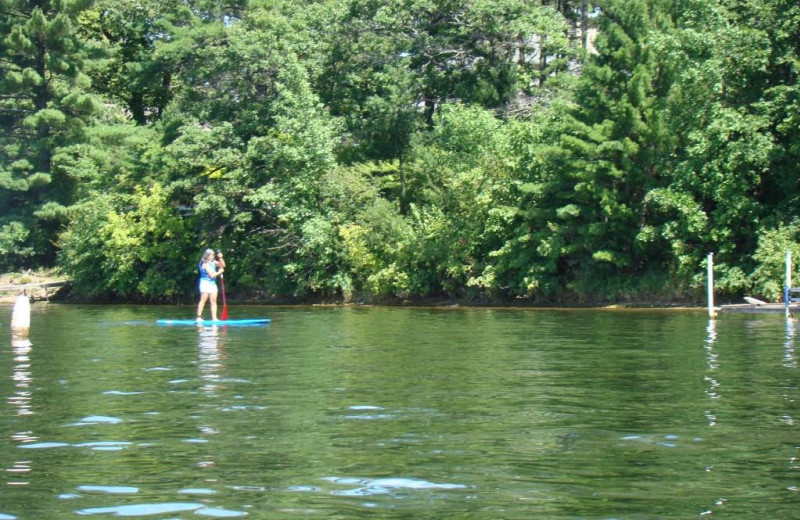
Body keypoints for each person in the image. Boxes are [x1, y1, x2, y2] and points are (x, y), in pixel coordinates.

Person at [196, 248, 224, 321]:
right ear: (207, 256)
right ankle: (199, 317)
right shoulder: (204, 263)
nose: (213, 257)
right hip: (205, 282)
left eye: (213, 255)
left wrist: (220, 258)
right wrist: (220, 272)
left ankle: (214, 318)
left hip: (212, 283)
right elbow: (211, 275)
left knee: (213, 300)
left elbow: (222, 265)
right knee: (204, 299)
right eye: (212, 255)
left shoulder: (212, 261)